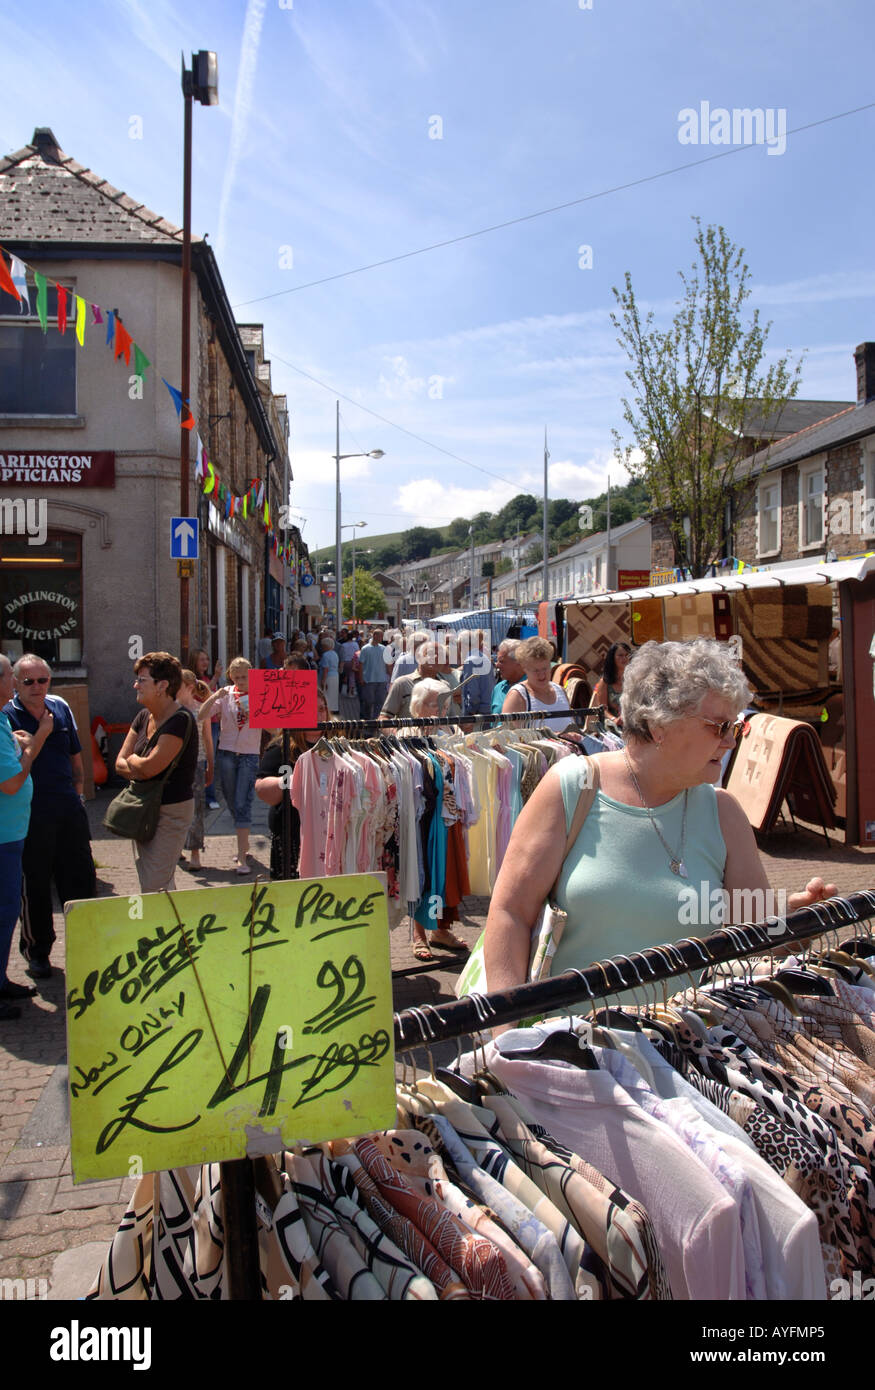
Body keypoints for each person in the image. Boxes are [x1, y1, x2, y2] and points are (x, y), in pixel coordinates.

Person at [484, 639, 839, 1006]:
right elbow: (510, 912)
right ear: (659, 726)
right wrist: (508, 1035)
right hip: (571, 1051)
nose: (731, 742)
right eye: (718, 727)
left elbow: (756, 937)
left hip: (685, 1048)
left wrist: (796, 923)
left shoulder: (723, 813)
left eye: (734, 727)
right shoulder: (574, 786)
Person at [3, 653, 97, 979]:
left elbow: (75, 755)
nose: (37, 687)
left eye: (43, 680)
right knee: (36, 885)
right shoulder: (7, 717)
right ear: (15, 683)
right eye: (28, 681)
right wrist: (41, 733)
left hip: (68, 807)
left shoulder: (60, 707)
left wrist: (80, 792)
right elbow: (14, 770)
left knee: (81, 877)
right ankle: (38, 951)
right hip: (30, 813)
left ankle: (87, 944)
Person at [114, 652, 198, 895]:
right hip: (144, 807)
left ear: (162, 686)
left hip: (171, 811)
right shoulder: (142, 717)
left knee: (154, 883)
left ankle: (167, 927)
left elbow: (151, 768)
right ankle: (172, 929)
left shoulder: (180, 720)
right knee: (155, 879)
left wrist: (133, 762)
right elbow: (119, 765)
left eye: (142, 680)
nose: (135, 685)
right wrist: (136, 764)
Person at [0, 654, 53, 1017]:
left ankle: (0, 980)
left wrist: (17, 743)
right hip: (3, 836)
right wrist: (36, 742)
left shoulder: (2, 719)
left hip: (12, 832)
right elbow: (12, 781)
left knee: (6, 914)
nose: (29, 687)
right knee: (2, 911)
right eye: (16, 677)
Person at [255, 689, 332, 879]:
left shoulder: (338, 743)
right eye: (312, 710)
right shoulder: (282, 746)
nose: (318, 715)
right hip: (292, 834)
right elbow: (262, 790)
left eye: (322, 709)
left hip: (330, 833)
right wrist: (291, 780)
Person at [197, 657, 262, 874]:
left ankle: (242, 857)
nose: (241, 680)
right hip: (226, 753)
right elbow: (202, 715)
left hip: (249, 754)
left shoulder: (260, 694)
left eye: (245, 676)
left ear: (251, 674)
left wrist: (254, 715)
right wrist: (214, 694)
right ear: (231, 677)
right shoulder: (227, 695)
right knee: (232, 799)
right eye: (237, 677)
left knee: (243, 801)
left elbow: (274, 728)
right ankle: (244, 844)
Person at [177, 670, 214, 873]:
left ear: (189, 687)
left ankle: (195, 853)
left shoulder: (201, 710)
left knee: (196, 808)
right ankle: (178, 847)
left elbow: (208, 739)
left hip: (196, 763)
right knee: (175, 809)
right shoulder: (170, 710)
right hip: (174, 766)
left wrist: (211, 765)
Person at [501, 635, 576, 732]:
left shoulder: (560, 691)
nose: (541, 675)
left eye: (545, 669)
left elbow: (573, 728)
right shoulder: (518, 696)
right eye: (535, 671)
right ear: (525, 669)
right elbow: (509, 738)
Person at [380, 643, 454, 721]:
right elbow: (384, 717)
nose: (436, 657)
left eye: (441, 655)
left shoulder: (445, 686)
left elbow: (452, 718)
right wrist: (398, 733)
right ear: (419, 657)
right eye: (430, 653)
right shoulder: (402, 683)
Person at [188, 648, 222, 808]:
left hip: (213, 722)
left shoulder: (207, 677)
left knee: (211, 759)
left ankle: (210, 796)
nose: (205, 662)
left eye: (206, 659)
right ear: (194, 661)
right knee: (201, 759)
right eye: (202, 659)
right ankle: (206, 796)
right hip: (200, 723)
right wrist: (216, 677)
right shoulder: (194, 681)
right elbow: (206, 694)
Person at [590, 640, 632, 720]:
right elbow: (602, 709)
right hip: (613, 726)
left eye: (627, 655)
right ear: (612, 658)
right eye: (620, 655)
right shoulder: (605, 682)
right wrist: (614, 719)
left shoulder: (634, 679)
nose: (624, 658)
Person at [460, 631, 494, 716]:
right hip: (488, 709)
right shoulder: (484, 658)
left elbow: (473, 691)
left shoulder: (470, 661)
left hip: (477, 714)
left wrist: (471, 711)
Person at [358, 628, 389, 719]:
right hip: (369, 680)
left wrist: (390, 675)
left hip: (381, 680)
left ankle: (376, 721)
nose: (382, 638)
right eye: (380, 636)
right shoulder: (365, 649)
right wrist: (361, 678)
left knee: (380, 702)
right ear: (375, 636)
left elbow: (387, 664)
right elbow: (361, 664)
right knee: (368, 702)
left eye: (382, 636)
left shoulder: (384, 649)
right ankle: (367, 719)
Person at [491, 639, 525, 714]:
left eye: (501, 661)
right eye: (497, 661)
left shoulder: (533, 688)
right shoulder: (498, 688)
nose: (497, 665)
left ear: (518, 662)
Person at [318, 637, 340, 712]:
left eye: (323, 645)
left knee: (326, 694)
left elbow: (325, 669)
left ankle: (327, 709)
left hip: (328, 676)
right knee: (333, 694)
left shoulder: (325, 655)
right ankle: (334, 708)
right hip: (335, 676)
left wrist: (323, 681)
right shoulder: (335, 654)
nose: (322, 647)